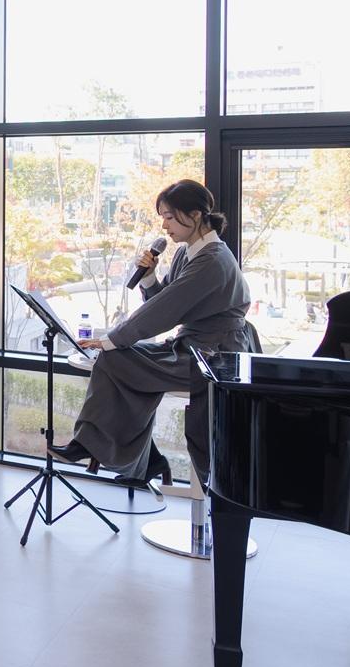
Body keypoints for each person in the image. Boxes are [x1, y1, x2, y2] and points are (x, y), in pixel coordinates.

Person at [50, 180, 255, 483]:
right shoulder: (189, 253)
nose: (164, 225)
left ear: (195, 214)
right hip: (191, 347)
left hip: (215, 358)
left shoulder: (213, 259)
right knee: (115, 360)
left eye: (170, 217)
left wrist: (111, 339)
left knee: (116, 356)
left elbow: (165, 311)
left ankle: (131, 457)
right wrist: (148, 277)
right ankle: (139, 457)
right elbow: (166, 300)